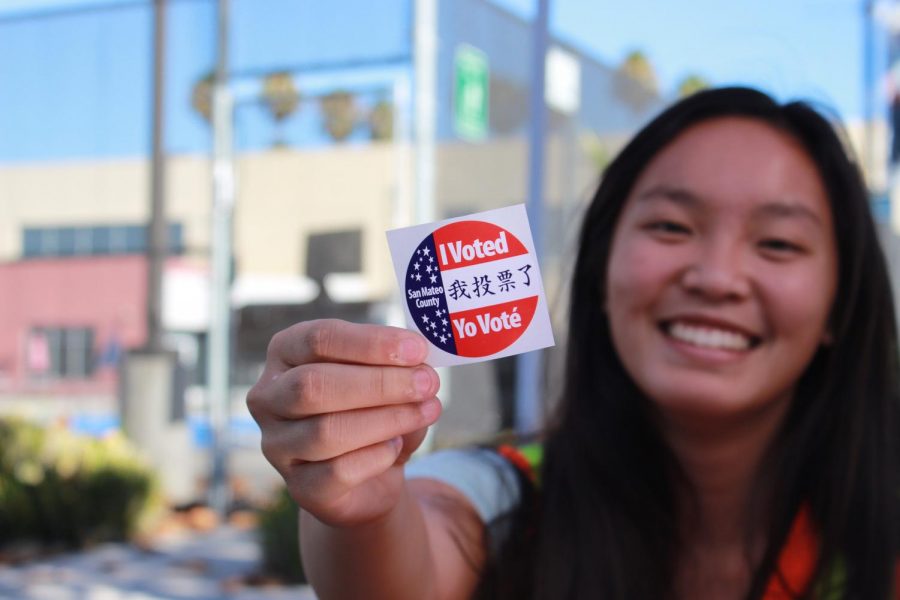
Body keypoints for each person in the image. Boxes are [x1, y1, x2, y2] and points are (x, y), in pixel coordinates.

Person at [246, 87, 900, 599]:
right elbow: (409, 562)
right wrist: (360, 508)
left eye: (779, 243)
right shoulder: (502, 493)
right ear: (601, 273)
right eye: (671, 226)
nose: (716, 277)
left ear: (840, 307)